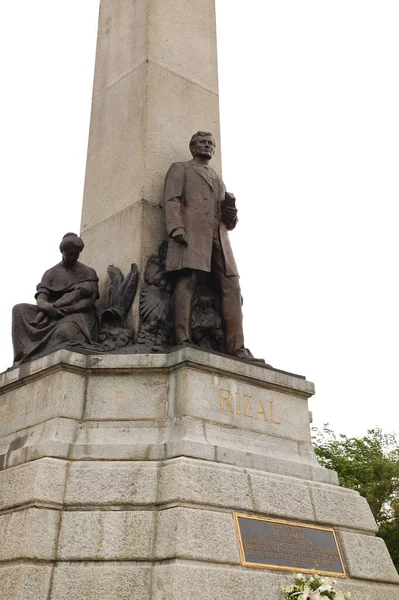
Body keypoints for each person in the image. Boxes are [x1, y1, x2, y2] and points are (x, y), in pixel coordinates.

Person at [163, 131, 254, 360]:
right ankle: (182, 339)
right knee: (188, 280)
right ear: (193, 147)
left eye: (210, 143)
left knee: (232, 286)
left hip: (219, 238)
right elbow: (172, 199)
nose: (207, 146)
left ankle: (237, 348)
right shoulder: (180, 168)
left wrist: (231, 213)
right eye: (202, 142)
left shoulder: (217, 178)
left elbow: (228, 221)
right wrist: (176, 227)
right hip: (192, 233)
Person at [12, 233, 99, 365]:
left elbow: (90, 301)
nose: (74, 256)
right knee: (18, 309)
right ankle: (22, 356)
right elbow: (41, 300)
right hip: (52, 312)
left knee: (65, 333)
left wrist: (68, 309)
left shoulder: (88, 272)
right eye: (71, 253)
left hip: (78, 313)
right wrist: (49, 308)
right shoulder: (50, 273)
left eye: (77, 253)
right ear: (62, 252)